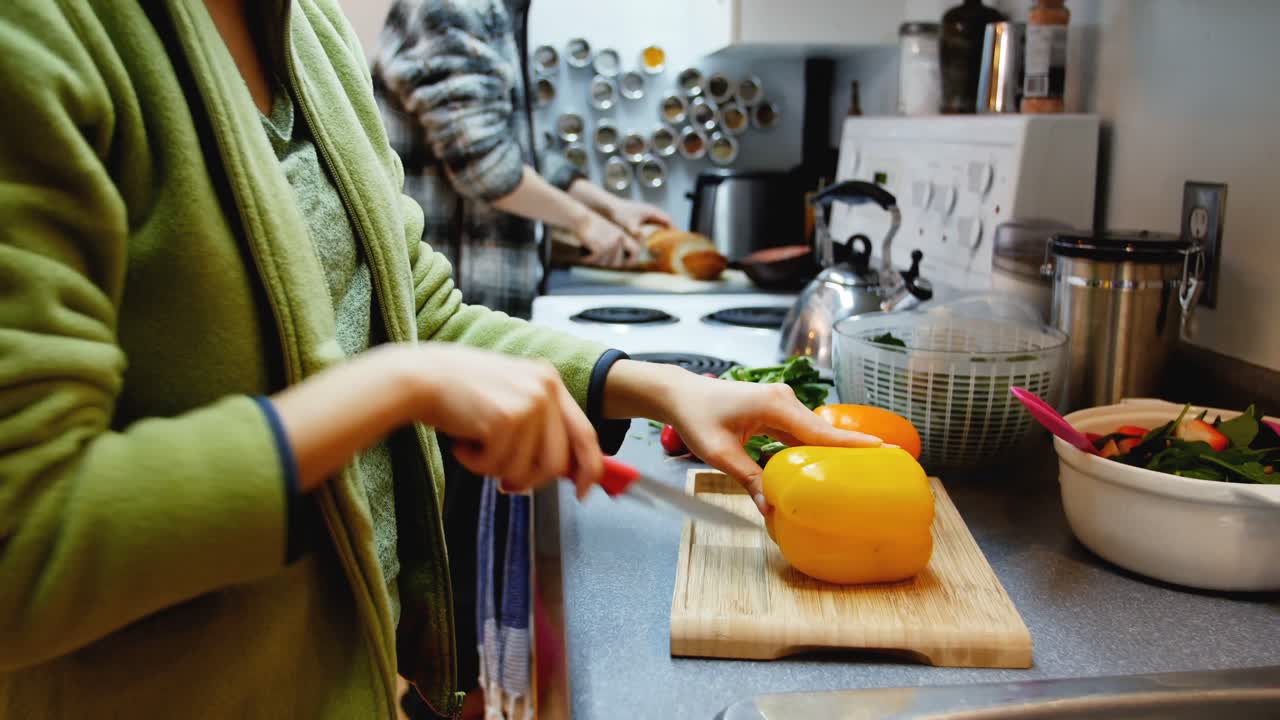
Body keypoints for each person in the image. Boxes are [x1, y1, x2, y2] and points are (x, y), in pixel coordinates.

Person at [0, 1, 881, 718]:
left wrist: (664, 388)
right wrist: (396, 386)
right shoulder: (43, 30)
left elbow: (417, 311)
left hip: (350, 679)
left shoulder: (308, 28)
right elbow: (23, 539)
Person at [374, 0, 670, 319]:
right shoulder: (453, 7)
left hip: (478, 298)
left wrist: (611, 207)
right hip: (448, 301)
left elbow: (520, 151)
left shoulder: (502, 11)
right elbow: (483, 165)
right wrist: (584, 222)